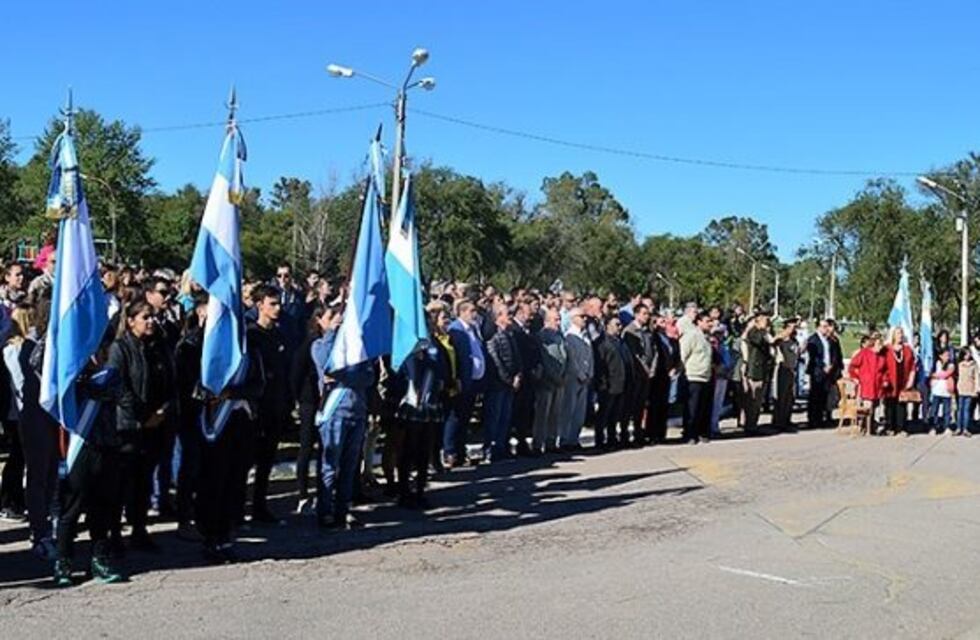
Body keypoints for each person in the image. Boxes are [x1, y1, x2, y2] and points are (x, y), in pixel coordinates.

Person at [54, 331, 125, 587]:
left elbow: (106, 391)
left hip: (106, 445)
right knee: (71, 507)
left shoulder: (110, 374)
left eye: (100, 348)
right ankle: (63, 561)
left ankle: (99, 559)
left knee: (102, 507)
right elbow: (39, 361)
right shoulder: (67, 375)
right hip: (79, 446)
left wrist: (82, 378)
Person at [109, 301, 175, 552]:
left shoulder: (159, 347)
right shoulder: (121, 348)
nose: (151, 322)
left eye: (153, 317)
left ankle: (139, 529)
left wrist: (164, 410)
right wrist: (143, 415)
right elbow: (118, 386)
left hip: (155, 425)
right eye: (145, 317)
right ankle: (114, 534)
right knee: (122, 482)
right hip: (129, 426)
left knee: (143, 481)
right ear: (131, 321)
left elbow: (170, 382)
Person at [312, 307, 376, 530]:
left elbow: (368, 377)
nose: (338, 322)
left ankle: (343, 509)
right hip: (334, 412)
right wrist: (331, 332)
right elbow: (327, 365)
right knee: (330, 466)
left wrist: (344, 376)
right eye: (331, 318)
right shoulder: (320, 344)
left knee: (350, 467)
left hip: (357, 411)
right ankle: (325, 511)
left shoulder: (357, 349)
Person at [245, 285, 291, 524]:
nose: (277, 308)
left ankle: (260, 506)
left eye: (279, 303)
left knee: (266, 461)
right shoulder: (251, 336)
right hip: (255, 407)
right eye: (272, 304)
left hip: (276, 405)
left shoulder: (279, 335)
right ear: (259, 305)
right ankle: (237, 508)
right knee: (246, 460)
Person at [18, 298, 60, 560]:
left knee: (54, 474)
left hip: (55, 417)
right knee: (39, 475)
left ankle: (52, 526)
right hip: (36, 417)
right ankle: (39, 531)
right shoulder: (31, 345)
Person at [290, 305, 339, 514]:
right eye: (330, 317)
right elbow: (296, 373)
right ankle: (302, 494)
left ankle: (324, 492)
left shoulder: (337, 343)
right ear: (319, 320)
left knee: (326, 448)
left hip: (329, 400)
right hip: (310, 401)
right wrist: (298, 399)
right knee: (306, 447)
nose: (335, 321)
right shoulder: (311, 344)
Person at [442, 301, 486, 467]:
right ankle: (450, 451)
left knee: (465, 417)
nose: (475, 314)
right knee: (455, 418)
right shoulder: (456, 329)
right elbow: (457, 356)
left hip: (474, 381)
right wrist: (458, 378)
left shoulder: (473, 329)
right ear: (462, 312)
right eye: (472, 311)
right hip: (461, 381)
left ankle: (461, 451)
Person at [0, 306, 30, 521]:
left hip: (18, 410)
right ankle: (9, 500)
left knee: (20, 456)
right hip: (15, 411)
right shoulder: (12, 350)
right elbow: (20, 382)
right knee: (17, 457)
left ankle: (16, 498)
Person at [483, 304, 523, 461]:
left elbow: (517, 357)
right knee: (494, 417)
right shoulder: (493, 336)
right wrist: (508, 379)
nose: (510, 316)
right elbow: (496, 361)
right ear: (498, 317)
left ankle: (501, 447)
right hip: (498, 384)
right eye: (507, 314)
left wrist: (518, 374)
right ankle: (490, 448)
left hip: (510, 384)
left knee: (505, 418)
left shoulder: (510, 334)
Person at [531, 308, 566, 455]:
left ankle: (551, 442)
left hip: (560, 380)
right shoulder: (541, 337)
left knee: (555, 414)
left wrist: (563, 375)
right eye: (555, 319)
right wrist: (553, 376)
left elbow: (564, 356)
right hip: (547, 381)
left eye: (559, 319)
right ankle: (538, 444)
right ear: (546, 321)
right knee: (542, 414)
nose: (558, 322)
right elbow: (545, 359)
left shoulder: (560, 336)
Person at [559, 307, 593, 450]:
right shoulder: (569, 336)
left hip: (585, 378)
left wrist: (589, 373)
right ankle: (565, 439)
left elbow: (590, 357)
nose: (585, 319)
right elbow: (572, 359)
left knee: (580, 411)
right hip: (573, 378)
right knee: (569, 409)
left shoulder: (586, 336)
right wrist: (580, 374)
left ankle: (574, 438)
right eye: (581, 316)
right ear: (573, 318)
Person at [594, 315, 629, 449]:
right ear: (607, 326)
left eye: (620, 325)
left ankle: (612, 438)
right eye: (617, 325)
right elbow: (600, 365)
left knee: (615, 413)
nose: (620, 327)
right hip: (608, 384)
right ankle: (600, 440)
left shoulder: (620, 341)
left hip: (621, 382)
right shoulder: (602, 342)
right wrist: (603, 383)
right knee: (604, 413)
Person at [622, 304, 655, 447]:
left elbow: (653, 351)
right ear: (636, 314)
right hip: (635, 374)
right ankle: (624, 435)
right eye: (643, 313)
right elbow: (634, 354)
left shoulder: (647, 331)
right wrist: (644, 368)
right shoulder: (630, 331)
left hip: (646, 375)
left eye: (648, 314)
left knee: (641, 406)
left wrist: (652, 368)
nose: (646, 316)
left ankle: (638, 433)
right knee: (630, 405)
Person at [680, 311, 714, 444]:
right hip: (693, 376)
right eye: (707, 321)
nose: (710, 324)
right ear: (699, 322)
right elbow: (683, 354)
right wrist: (682, 371)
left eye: (711, 321)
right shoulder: (692, 335)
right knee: (692, 409)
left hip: (706, 376)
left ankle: (701, 432)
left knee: (703, 408)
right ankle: (689, 434)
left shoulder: (706, 337)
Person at [510, 301, 539, 456]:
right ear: (520, 313)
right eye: (528, 313)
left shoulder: (529, 329)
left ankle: (523, 442)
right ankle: (513, 443)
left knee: (526, 411)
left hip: (530, 376)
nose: (531, 317)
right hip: (519, 376)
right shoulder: (514, 330)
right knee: (516, 411)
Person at [848, 332, 886, 431]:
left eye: (881, 344)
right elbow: (852, 366)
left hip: (878, 385)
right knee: (868, 406)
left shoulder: (882, 356)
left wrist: (885, 380)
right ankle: (864, 426)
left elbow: (884, 370)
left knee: (876, 406)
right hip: (866, 385)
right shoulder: (864, 353)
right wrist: (855, 377)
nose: (880, 346)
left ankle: (872, 426)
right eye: (878, 344)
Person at [743, 312, 774, 433]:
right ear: (758, 321)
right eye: (765, 321)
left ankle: (754, 424)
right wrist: (763, 331)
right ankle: (749, 425)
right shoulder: (753, 332)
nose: (767, 324)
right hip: (754, 369)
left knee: (758, 401)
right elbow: (758, 341)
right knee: (752, 399)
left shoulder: (765, 333)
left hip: (763, 369)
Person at [882, 327, 916, 436]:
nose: (900, 335)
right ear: (893, 335)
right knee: (889, 404)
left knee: (901, 405)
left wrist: (911, 378)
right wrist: (885, 379)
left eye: (901, 333)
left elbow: (913, 366)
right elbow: (882, 365)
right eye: (897, 333)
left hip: (903, 381)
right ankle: (890, 427)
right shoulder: (887, 349)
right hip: (890, 382)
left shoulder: (907, 349)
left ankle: (901, 428)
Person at [806, 319, 838, 428]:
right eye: (824, 326)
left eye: (827, 326)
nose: (826, 329)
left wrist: (831, 365)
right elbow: (814, 356)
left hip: (828, 371)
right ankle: (813, 420)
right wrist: (823, 366)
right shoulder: (813, 339)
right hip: (817, 371)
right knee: (815, 396)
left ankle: (821, 418)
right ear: (818, 327)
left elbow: (833, 354)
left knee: (824, 396)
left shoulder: (828, 339)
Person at [771, 318, 800, 431]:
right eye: (792, 327)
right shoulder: (781, 340)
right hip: (783, 368)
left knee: (790, 397)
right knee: (781, 396)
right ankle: (779, 421)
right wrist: (781, 336)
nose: (794, 330)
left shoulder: (794, 340)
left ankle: (787, 419)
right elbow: (773, 344)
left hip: (792, 369)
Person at [928, 349, 955, 434]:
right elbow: (931, 373)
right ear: (940, 356)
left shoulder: (951, 365)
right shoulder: (936, 364)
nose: (947, 357)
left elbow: (946, 374)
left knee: (947, 411)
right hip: (936, 390)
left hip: (946, 391)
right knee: (934, 410)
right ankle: (933, 426)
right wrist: (934, 376)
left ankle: (946, 426)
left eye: (948, 355)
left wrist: (936, 375)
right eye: (946, 355)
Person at [956, 347, 976, 437]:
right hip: (960, 389)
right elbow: (957, 376)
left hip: (970, 389)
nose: (968, 355)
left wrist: (977, 389)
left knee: (966, 410)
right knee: (959, 409)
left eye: (969, 353)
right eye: (966, 354)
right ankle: (958, 427)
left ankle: (965, 428)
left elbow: (976, 378)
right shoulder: (959, 364)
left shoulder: (973, 365)